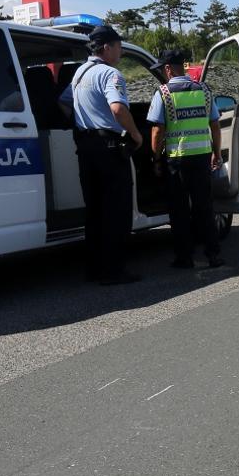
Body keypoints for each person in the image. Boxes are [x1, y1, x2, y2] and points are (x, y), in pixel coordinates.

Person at [59, 24, 143, 285]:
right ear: (107, 47)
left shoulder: (78, 74)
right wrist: (136, 134)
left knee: (94, 211)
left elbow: (63, 103)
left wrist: (83, 122)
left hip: (86, 148)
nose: (120, 51)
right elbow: (118, 109)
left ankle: (94, 268)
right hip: (109, 148)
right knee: (116, 212)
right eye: (118, 46)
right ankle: (114, 271)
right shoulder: (110, 74)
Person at [147, 48, 224, 269]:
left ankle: (185, 257)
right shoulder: (203, 91)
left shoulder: (164, 93)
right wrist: (216, 153)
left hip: (177, 161)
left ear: (169, 69)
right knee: (204, 208)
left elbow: (157, 131)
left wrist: (155, 158)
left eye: (163, 68)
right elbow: (215, 125)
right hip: (201, 157)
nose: (163, 72)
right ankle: (213, 255)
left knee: (179, 211)